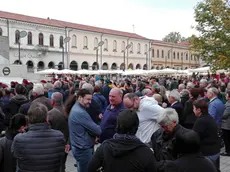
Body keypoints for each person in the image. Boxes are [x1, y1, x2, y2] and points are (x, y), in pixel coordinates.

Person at [88, 110, 157, 172]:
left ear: (117, 125)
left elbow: (91, 168)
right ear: (136, 126)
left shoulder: (105, 146)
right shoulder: (145, 151)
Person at [12, 102, 65, 172]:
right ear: (46, 118)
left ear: (29, 119)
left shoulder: (19, 139)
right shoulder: (59, 136)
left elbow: (15, 154)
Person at [68, 89, 101, 172]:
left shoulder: (76, 108)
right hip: (83, 149)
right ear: (80, 98)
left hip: (78, 146)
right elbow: (98, 130)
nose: (90, 102)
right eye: (88, 99)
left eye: (91, 99)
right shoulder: (80, 112)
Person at [193, 99, 220, 172]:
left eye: (194, 108)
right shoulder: (208, 117)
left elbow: (194, 137)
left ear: (198, 110)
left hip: (208, 153)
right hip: (214, 150)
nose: (193, 110)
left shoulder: (200, 121)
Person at [47, 92, 69, 172]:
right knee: (62, 164)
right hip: (66, 143)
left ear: (52, 101)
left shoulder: (50, 114)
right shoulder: (68, 112)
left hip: (53, 145)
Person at [221, 91, 230, 156]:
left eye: (226, 96)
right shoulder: (227, 103)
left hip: (226, 125)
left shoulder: (229, 106)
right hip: (226, 124)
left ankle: (228, 151)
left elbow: (224, 115)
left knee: (227, 139)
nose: (225, 96)